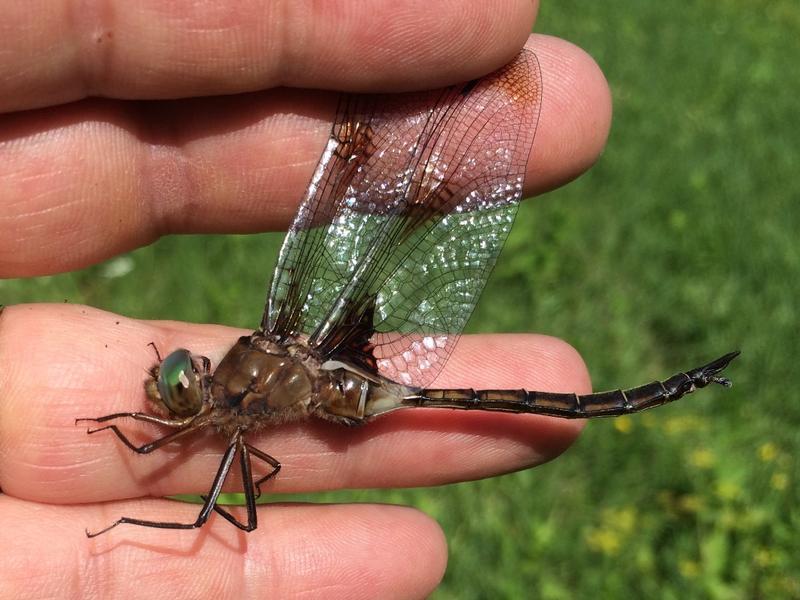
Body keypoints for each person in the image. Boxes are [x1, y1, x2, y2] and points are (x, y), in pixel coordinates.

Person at [0, 3, 611, 597]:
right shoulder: (244, 397)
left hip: (329, 375)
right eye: (179, 381)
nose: (173, 384)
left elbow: (152, 447)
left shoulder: (230, 407)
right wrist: (120, 425)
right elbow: (209, 460)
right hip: (324, 371)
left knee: (200, 512)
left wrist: (120, 510)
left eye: (176, 381)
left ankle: (598, 403)